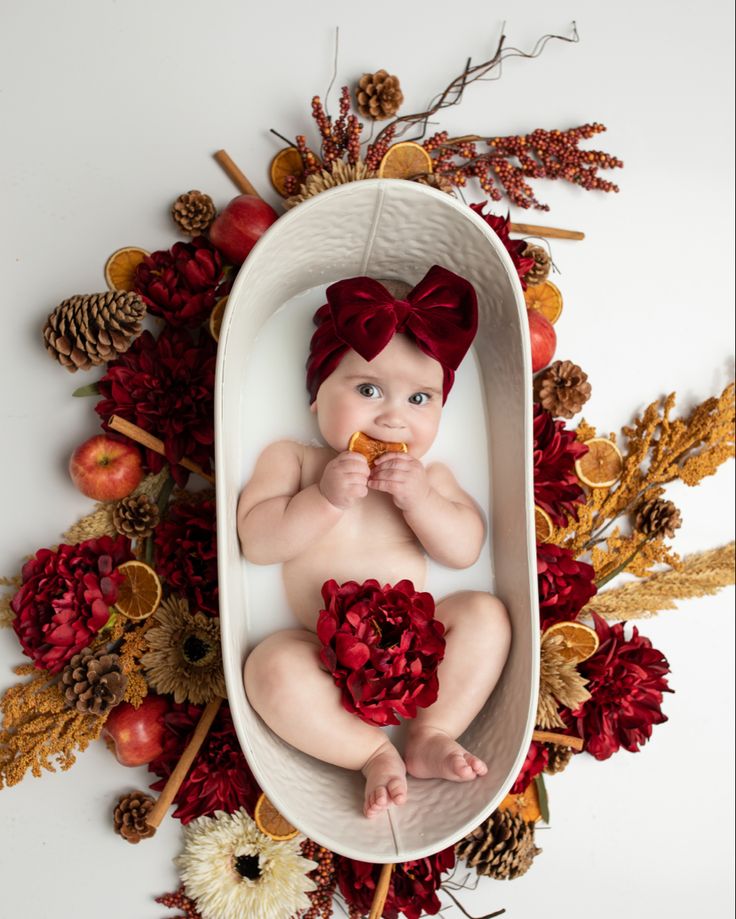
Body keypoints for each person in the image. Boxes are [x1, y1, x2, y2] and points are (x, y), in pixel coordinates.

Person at [237, 265, 511, 819]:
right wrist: (323, 499)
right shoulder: (296, 460)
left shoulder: (428, 478)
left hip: (415, 643)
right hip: (321, 646)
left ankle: (431, 733)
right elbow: (257, 542)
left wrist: (423, 505)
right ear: (317, 395)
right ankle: (370, 754)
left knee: (486, 615)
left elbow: (465, 549)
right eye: (367, 389)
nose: (392, 416)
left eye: (420, 399)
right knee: (267, 668)